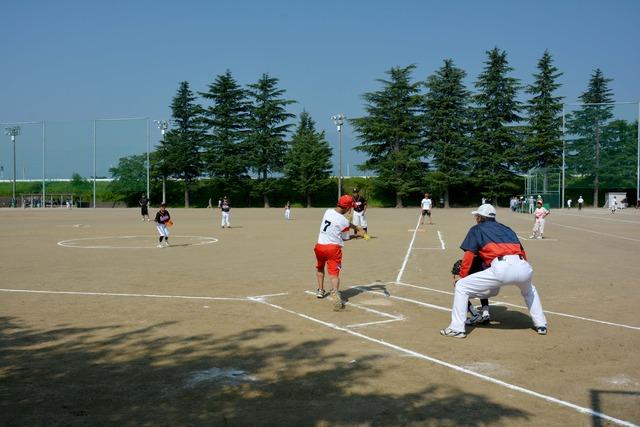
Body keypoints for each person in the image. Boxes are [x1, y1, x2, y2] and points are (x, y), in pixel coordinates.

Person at [440, 203, 547, 338]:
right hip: (523, 264)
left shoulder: (477, 229)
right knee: (530, 291)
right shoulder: (507, 229)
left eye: (477, 216)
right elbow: (522, 252)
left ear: (480, 218)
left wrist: (462, 276)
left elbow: (469, 255)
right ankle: (541, 324)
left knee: (461, 286)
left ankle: (457, 328)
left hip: (501, 267)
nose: (476, 219)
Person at [314, 194, 363, 310]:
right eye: (350, 207)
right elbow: (345, 238)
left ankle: (320, 291)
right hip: (333, 249)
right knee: (334, 274)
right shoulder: (344, 222)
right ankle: (335, 292)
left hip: (320, 246)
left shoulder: (328, 212)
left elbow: (342, 221)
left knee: (320, 268)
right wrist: (356, 235)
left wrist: (355, 226)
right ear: (347, 208)